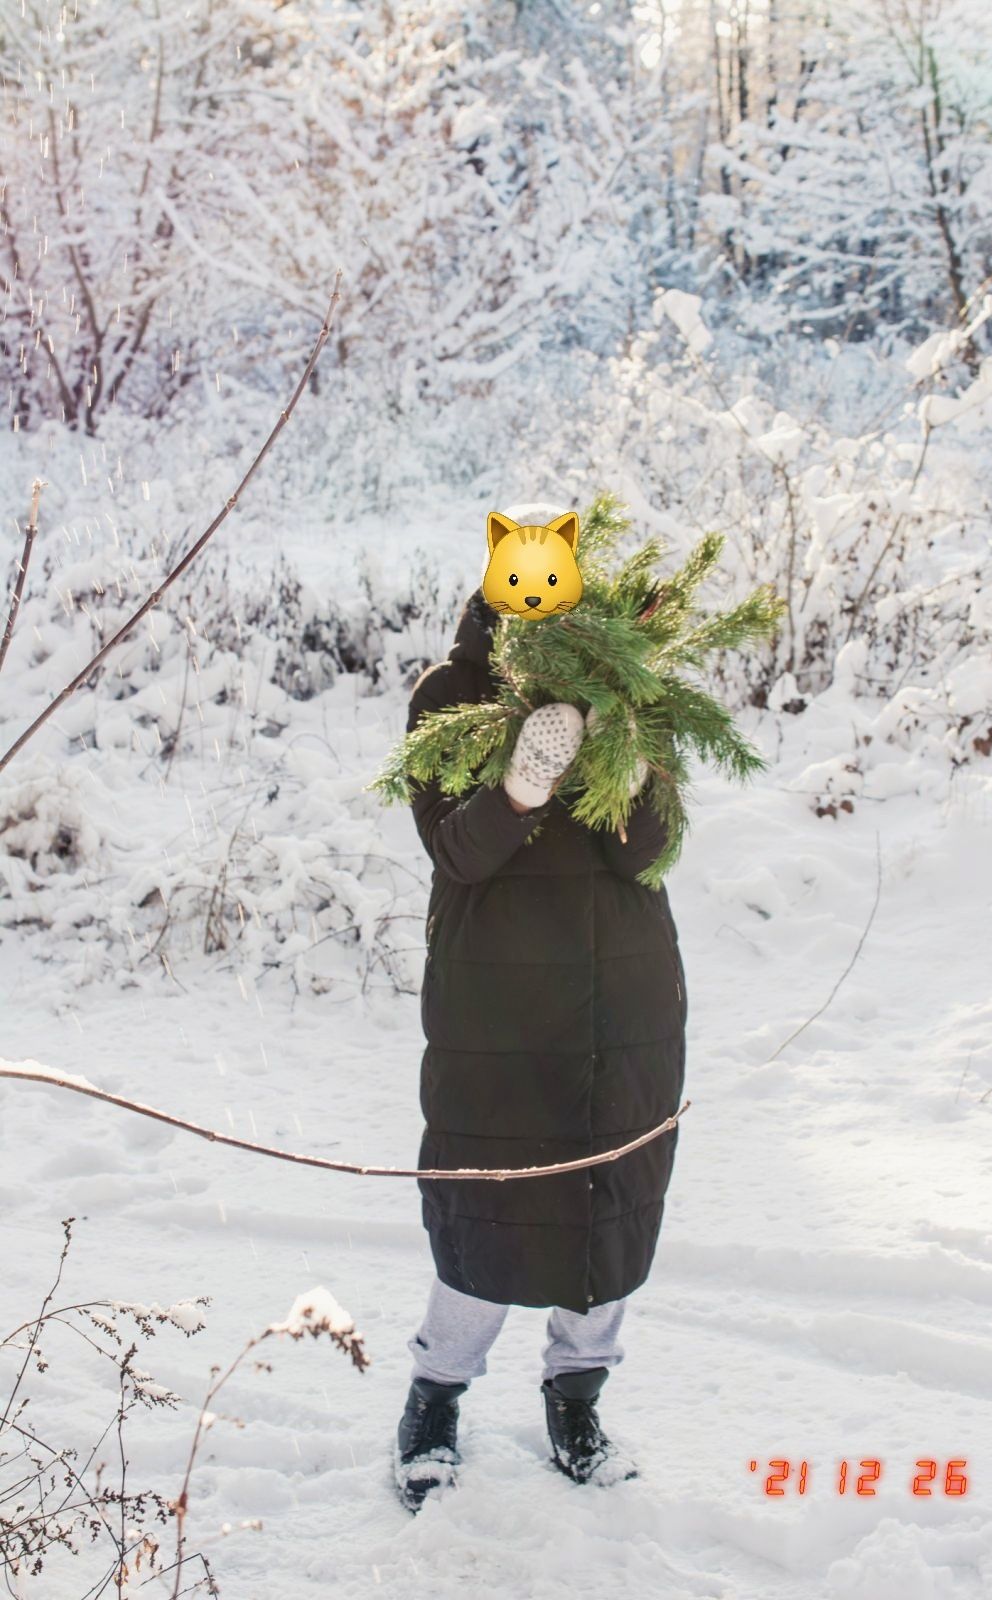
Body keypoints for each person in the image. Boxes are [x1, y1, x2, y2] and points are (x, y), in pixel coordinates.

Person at [394, 505, 688, 1513]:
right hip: (498, 1001)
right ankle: (434, 1395)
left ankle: (577, 1395)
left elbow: (648, 850)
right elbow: (455, 853)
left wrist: (626, 756)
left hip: (625, 992)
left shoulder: (625, 687)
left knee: (608, 1202)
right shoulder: (449, 693)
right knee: (490, 1202)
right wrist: (518, 788)